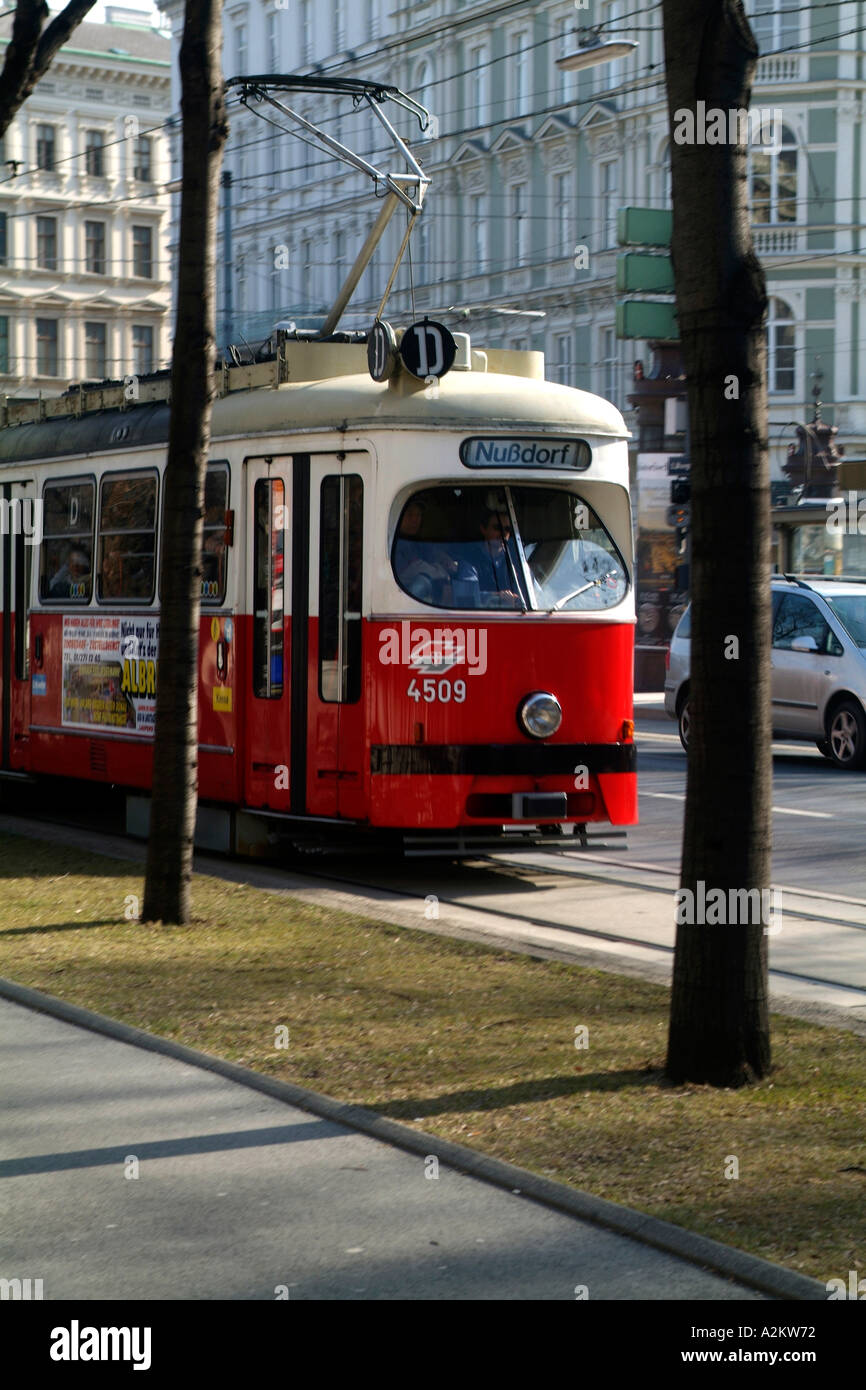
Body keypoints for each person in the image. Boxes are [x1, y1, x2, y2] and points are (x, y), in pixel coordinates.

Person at [393, 500, 456, 602]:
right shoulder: (393, 543)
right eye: (409, 514)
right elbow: (415, 569)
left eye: (418, 515)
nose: (415, 519)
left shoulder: (419, 543)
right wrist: (442, 573)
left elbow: (437, 557)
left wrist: (444, 560)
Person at [463, 509, 523, 606]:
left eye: (507, 529)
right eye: (497, 528)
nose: (503, 534)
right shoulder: (470, 560)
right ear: (483, 529)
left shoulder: (519, 562)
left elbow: (536, 594)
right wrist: (499, 597)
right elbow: (468, 596)